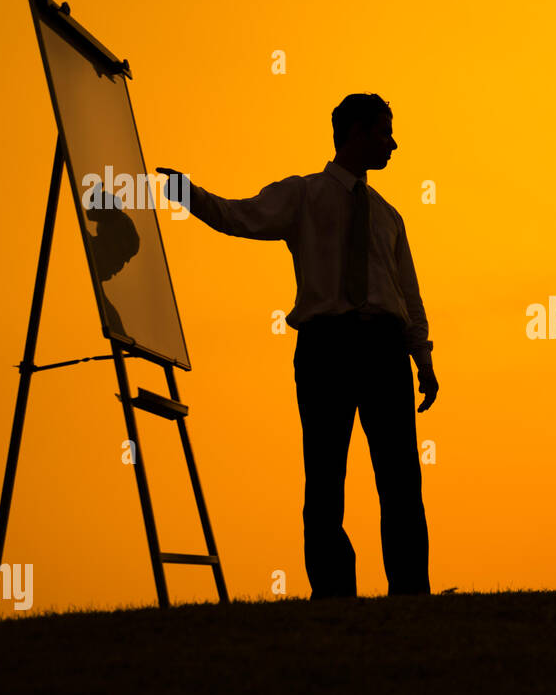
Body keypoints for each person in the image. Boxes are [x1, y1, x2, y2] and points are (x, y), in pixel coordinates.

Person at [157, 93, 436, 598]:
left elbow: (407, 291)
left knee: (400, 478)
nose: (392, 143)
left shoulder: (388, 215)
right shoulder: (304, 196)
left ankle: (411, 592)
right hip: (327, 347)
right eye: (383, 131)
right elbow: (237, 216)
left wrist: (423, 356)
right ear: (354, 133)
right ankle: (332, 592)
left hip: (383, 347)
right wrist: (187, 193)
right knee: (325, 475)